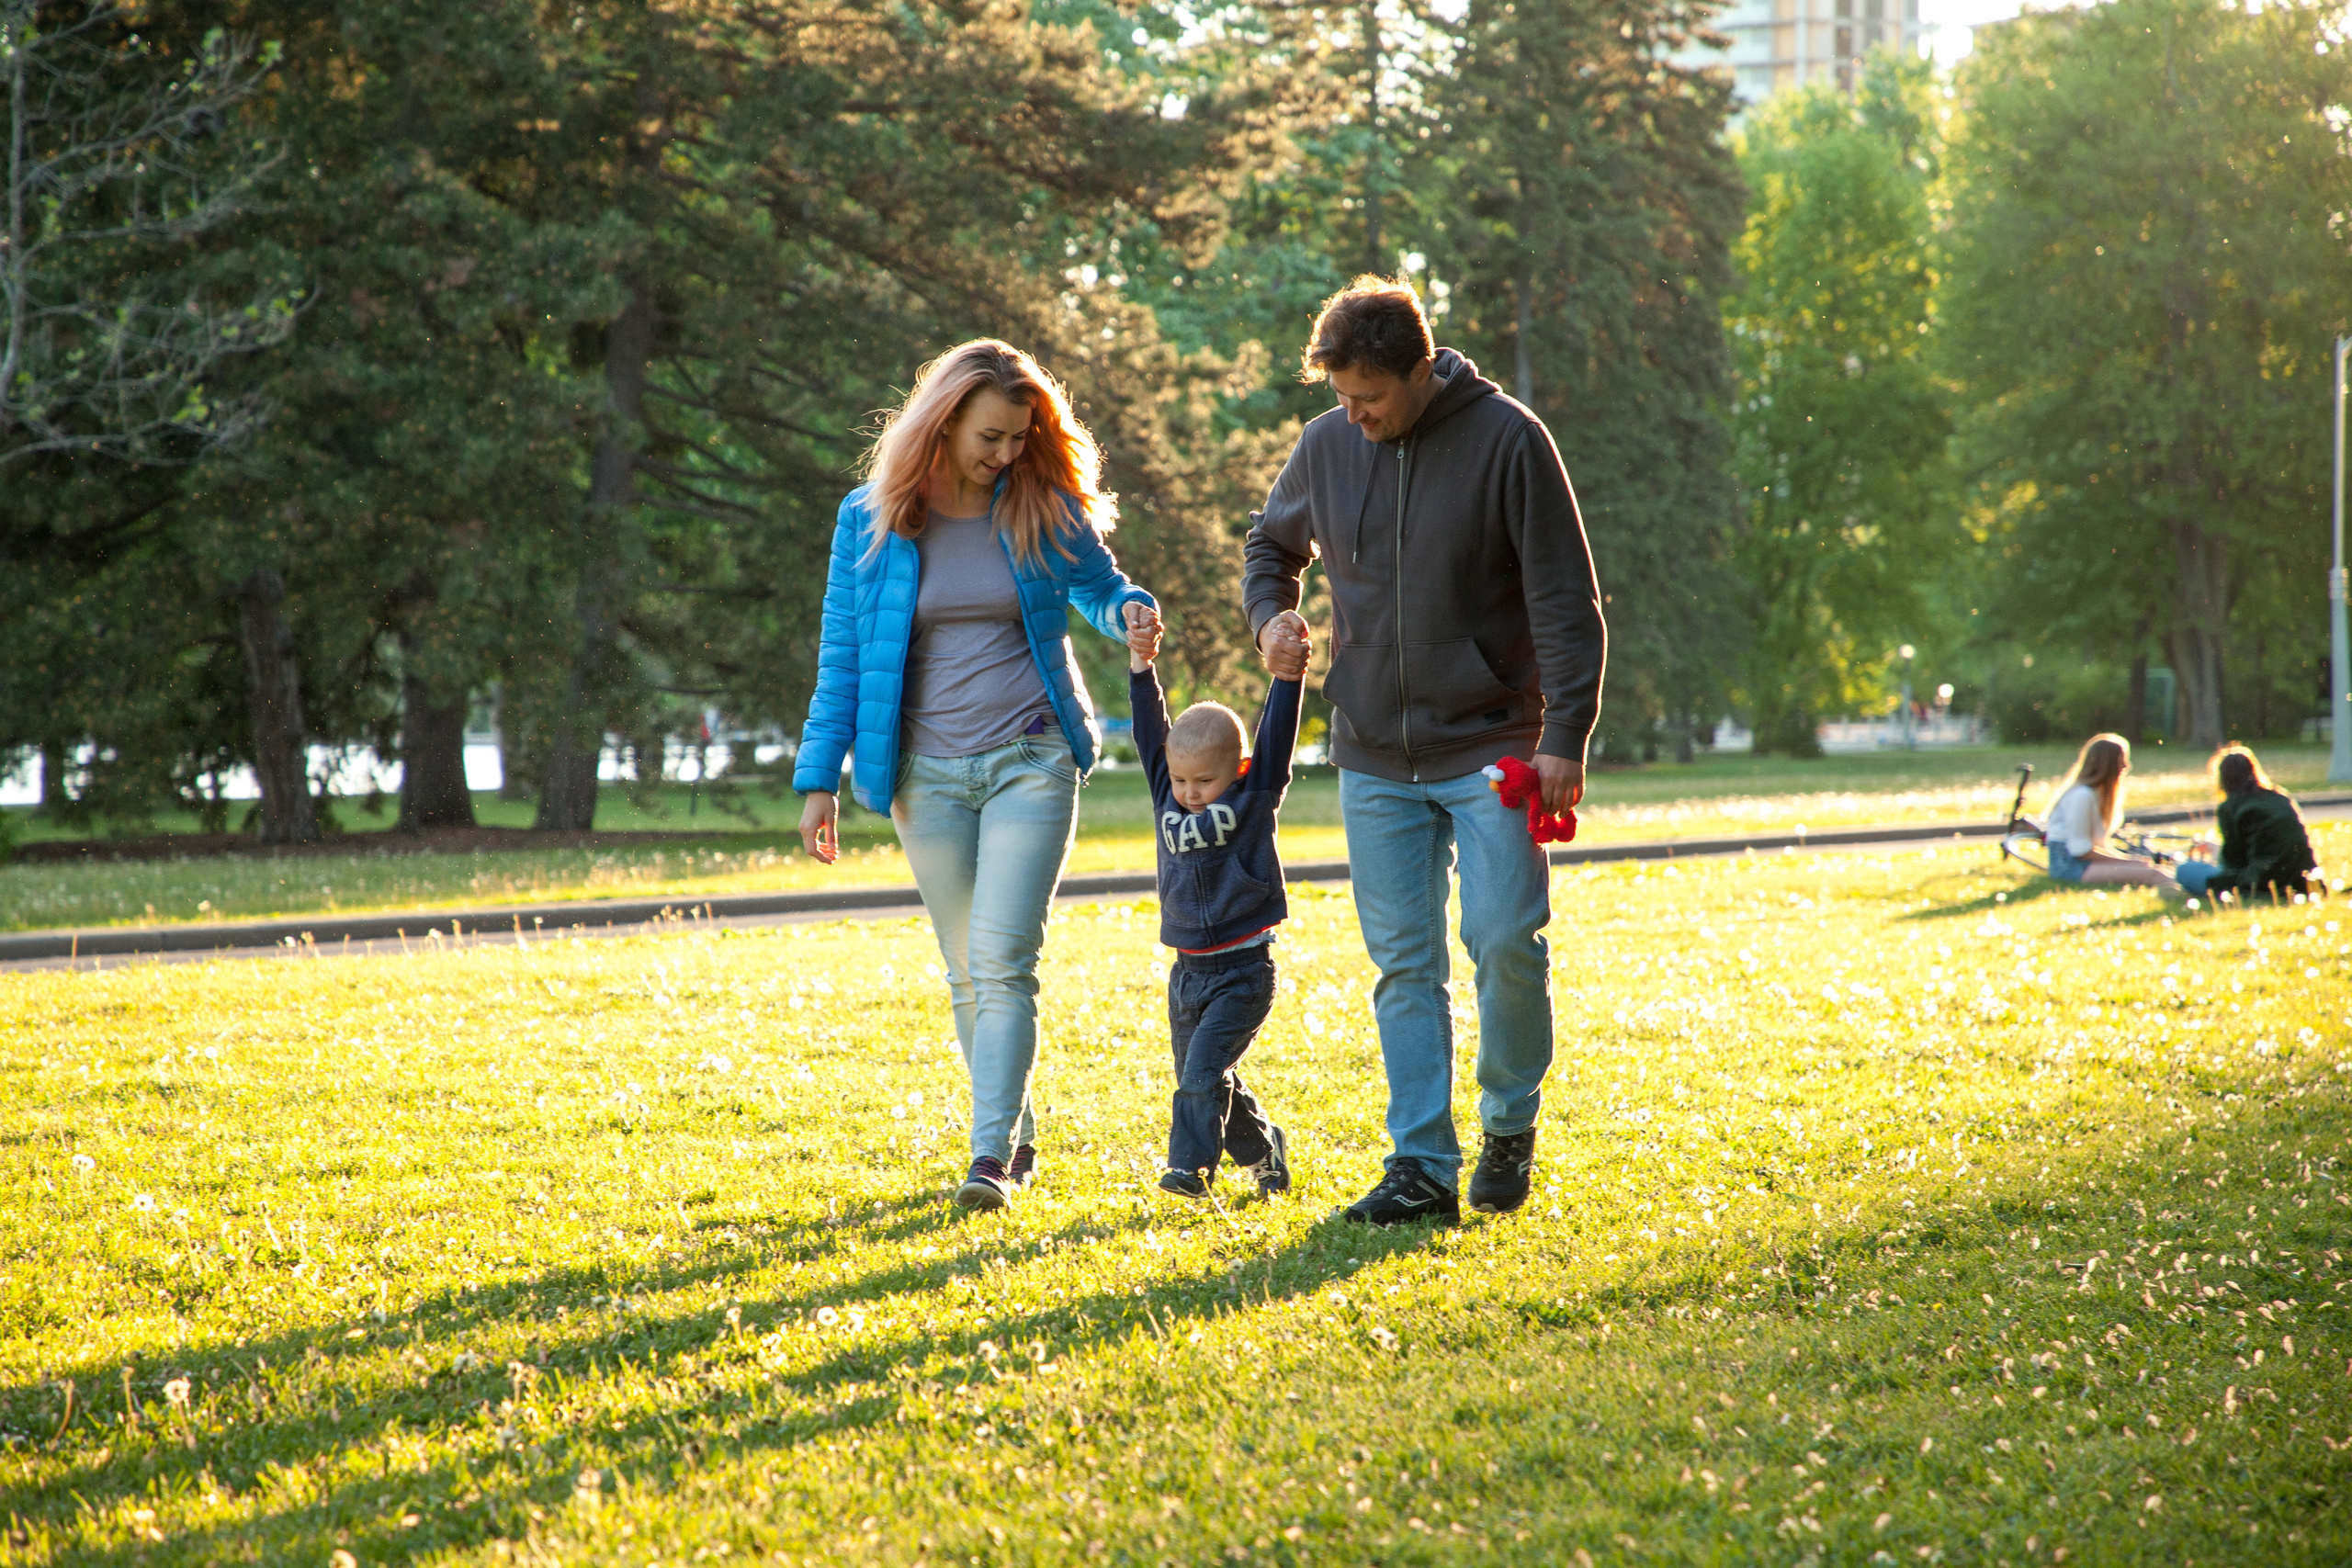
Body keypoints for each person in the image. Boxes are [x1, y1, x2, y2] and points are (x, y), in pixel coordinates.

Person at [1241, 276, 1607, 1226]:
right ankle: (1421, 1164)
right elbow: (1269, 546)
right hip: (1371, 751)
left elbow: (1564, 600)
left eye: (1367, 396)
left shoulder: (1509, 439)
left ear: (1419, 371)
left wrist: (1564, 735)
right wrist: (1270, 615)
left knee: (1504, 940)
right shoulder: (1327, 445)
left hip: (1492, 742)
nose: (1353, 415)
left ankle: (1510, 1123)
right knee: (1404, 966)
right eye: (1340, 397)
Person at [794, 339, 1158, 1213]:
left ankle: (988, 1156)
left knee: (1002, 958)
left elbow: (1100, 589)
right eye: (990, 436)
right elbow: (842, 656)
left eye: (1019, 437)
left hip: (1032, 755)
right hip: (924, 774)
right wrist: (820, 779)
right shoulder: (870, 517)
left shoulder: (1041, 503)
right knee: (966, 968)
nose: (1005, 453)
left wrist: (1131, 612)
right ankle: (1017, 1131)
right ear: (946, 419)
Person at [1126, 604, 1305, 1202]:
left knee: (1201, 1077)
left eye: (1204, 781)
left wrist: (1287, 677)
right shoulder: (1168, 793)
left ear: (1238, 769)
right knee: (1204, 1077)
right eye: (1181, 780)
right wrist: (1141, 664)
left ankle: (1190, 1169)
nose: (1189, 792)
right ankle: (1264, 1148)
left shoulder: (1255, 792)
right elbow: (1149, 730)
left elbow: (1276, 736)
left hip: (1243, 972)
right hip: (1187, 974)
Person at [2173, 744, 2318, 904]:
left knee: (2185, 870)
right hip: (2302, 882)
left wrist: (2218, 857)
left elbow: (2233, 864)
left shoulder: (2230, 807)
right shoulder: (2280, 797)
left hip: (2259, 884)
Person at [2041, 732, 2177, 892]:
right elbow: (2080, 851)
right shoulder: (2082, 796)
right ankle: (2194, 892)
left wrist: (2131, 861)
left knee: (2152, 869)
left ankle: (2187, 887)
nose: (2126, 766)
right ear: (2107, 764)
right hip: (2070, 867)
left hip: (2081, 862)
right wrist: (2128, 861)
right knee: (2153, 875)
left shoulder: (2093, 795)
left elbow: (2098, 846)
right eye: (2122, 760)